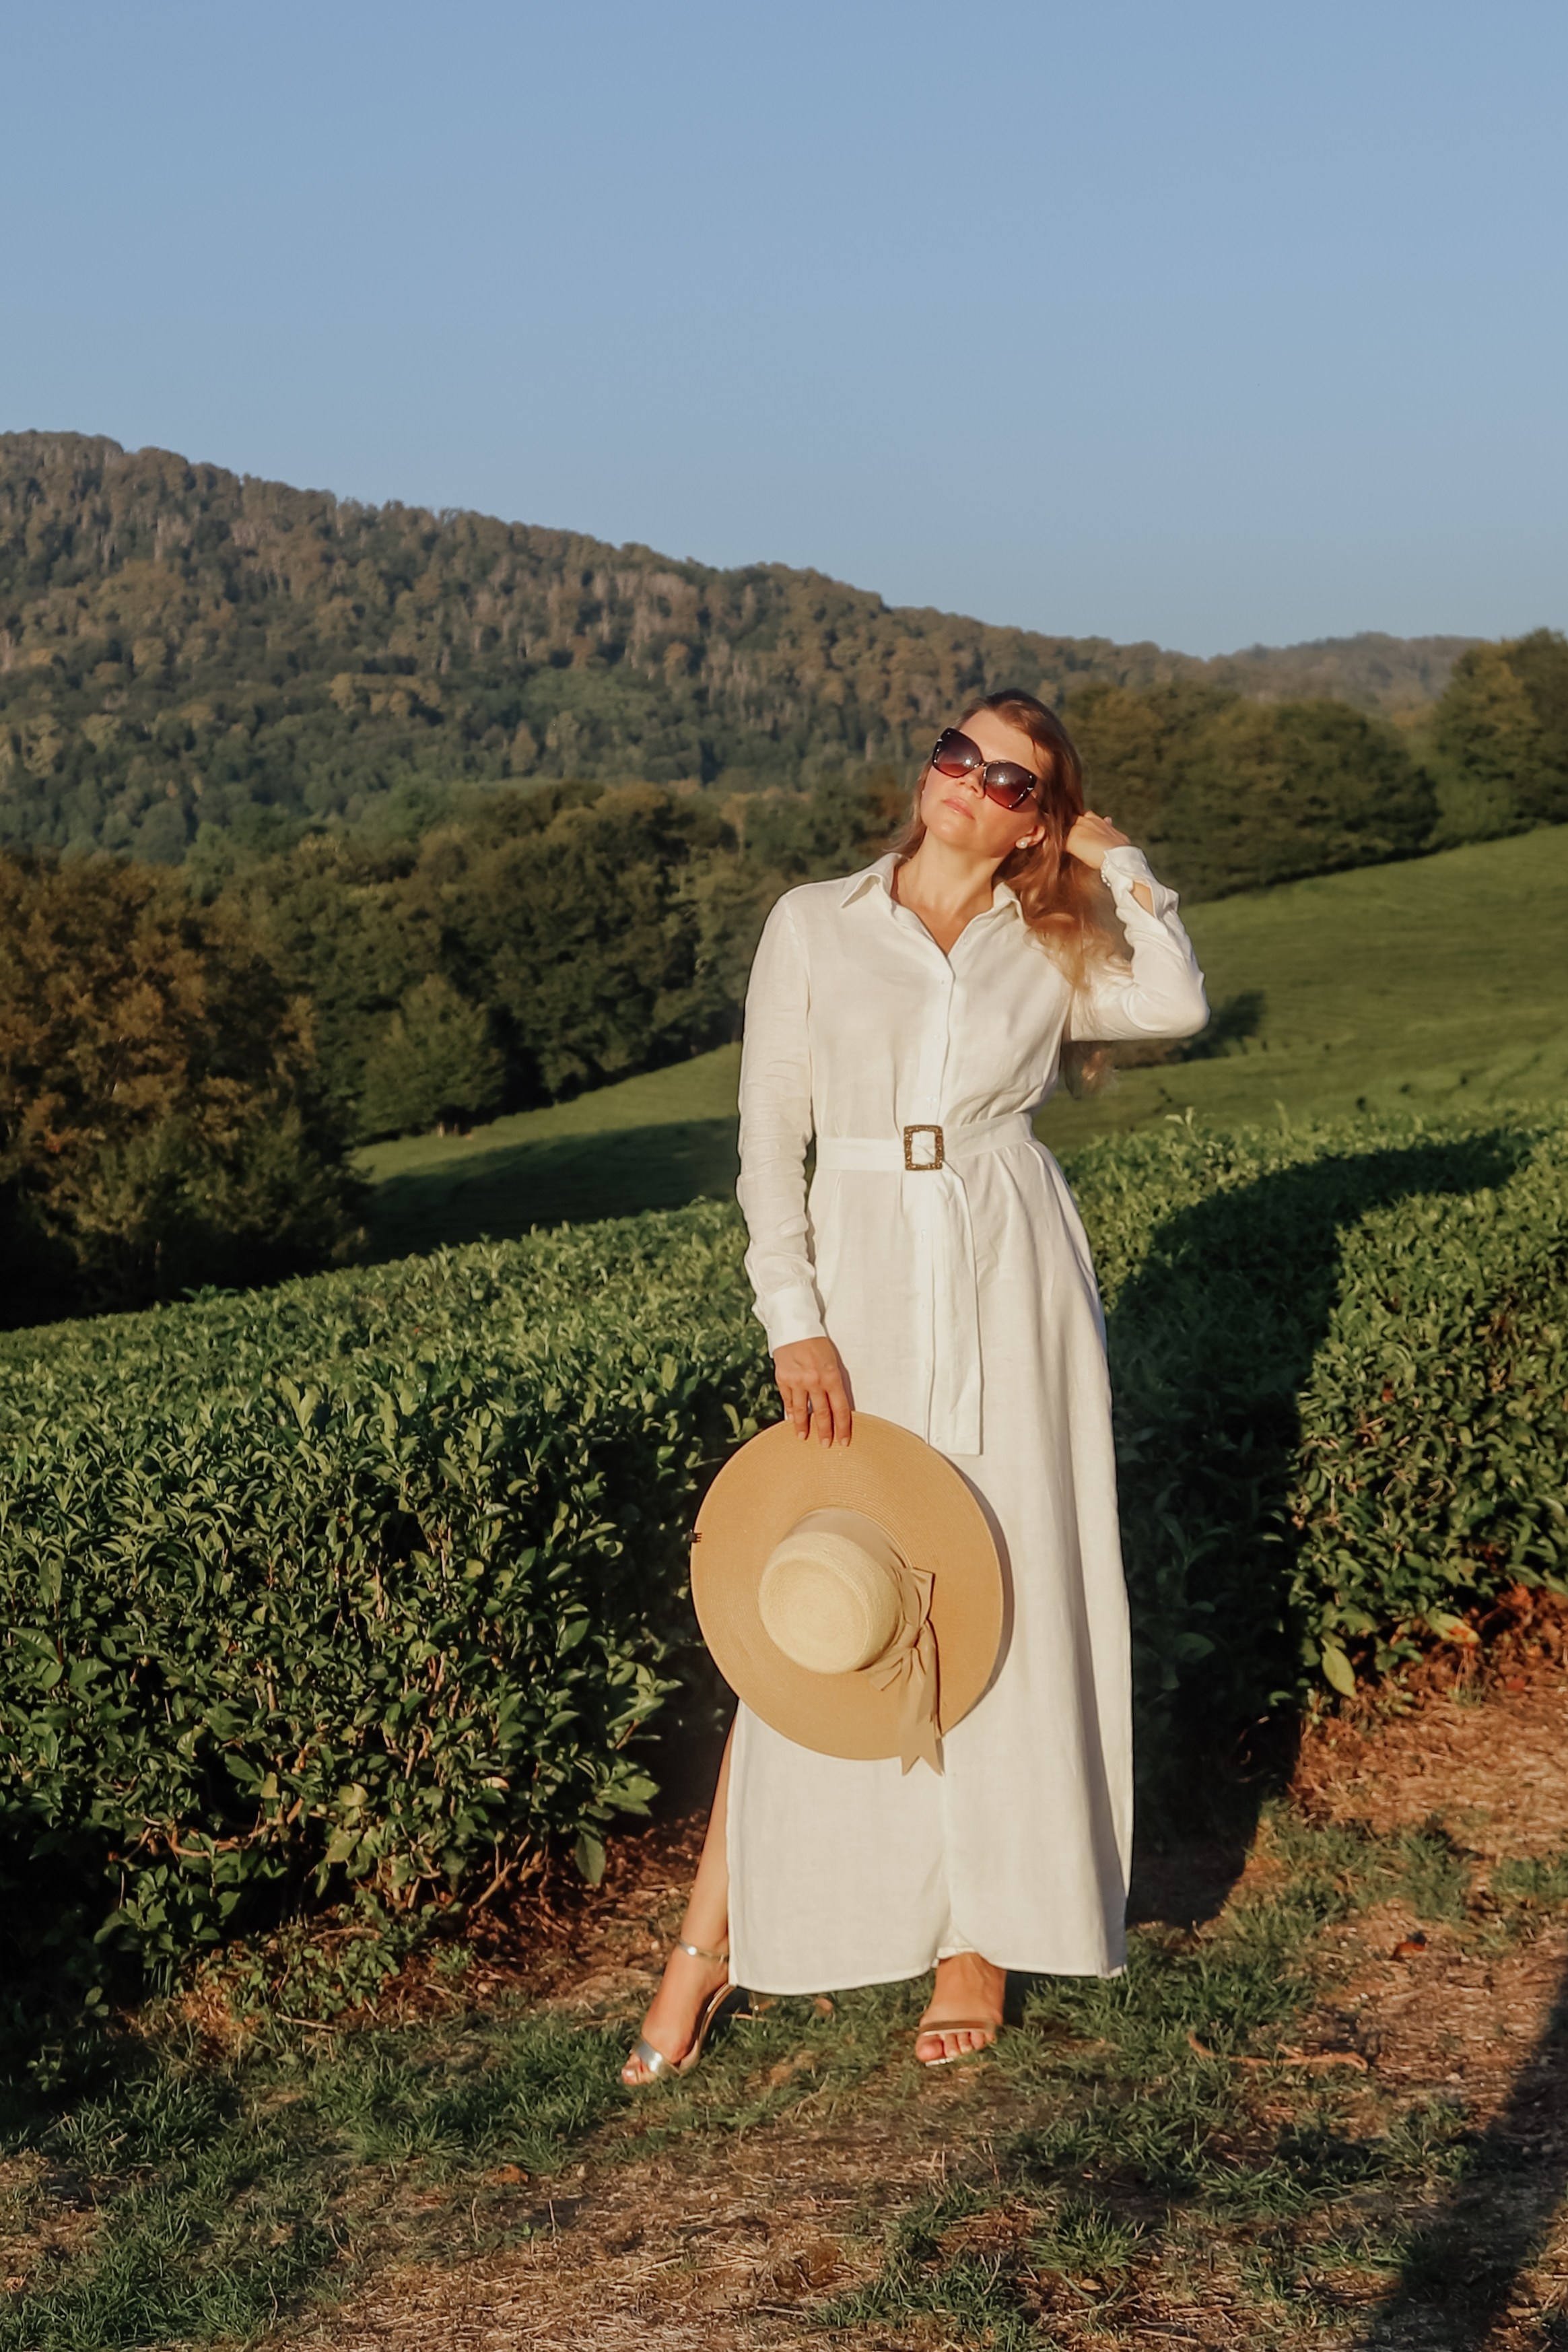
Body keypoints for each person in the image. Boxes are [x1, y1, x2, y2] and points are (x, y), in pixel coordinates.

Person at [623, 690, 1208, 2081]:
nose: (969, 782)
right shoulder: (814, 922)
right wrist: (794, 1320)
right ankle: (713, 1940)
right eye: (958, 754)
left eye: (1011, 780)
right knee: (828, 1591)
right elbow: (771, 1135)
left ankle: (981, 1936)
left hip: (1015, 1264)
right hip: (863, 1266)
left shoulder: (1048, 937)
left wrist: (1118, 864)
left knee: (1013, 1577)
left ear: (1035, 823)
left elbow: (1178, 998)